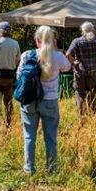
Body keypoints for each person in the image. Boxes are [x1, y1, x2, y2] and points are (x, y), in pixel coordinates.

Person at [17, 25, 71, 175]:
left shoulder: (27, 55)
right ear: (53, 40)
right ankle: (52, 169)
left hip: (29, 99)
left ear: (37, 40)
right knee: (50, 137)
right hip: (50, 100)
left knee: (29, 135)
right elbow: (67, 68)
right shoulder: (58, 56)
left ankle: (29, 168)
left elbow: (19, 76)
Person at [65, 21, 96, 116]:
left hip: (80, 72)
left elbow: (67, 54)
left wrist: (74, 63)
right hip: (94, 72)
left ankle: (81, 117)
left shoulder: (77, 41)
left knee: (80, 95)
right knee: (92, 95)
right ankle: (93, 116)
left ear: (82, 31)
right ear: (92, 30)